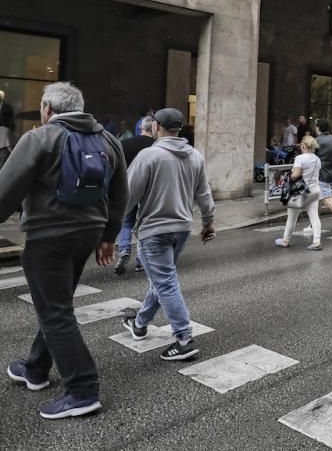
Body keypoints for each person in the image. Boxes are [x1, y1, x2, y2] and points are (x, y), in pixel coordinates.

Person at [0, 82, 128, 419]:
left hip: (48, 237)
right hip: (87, 234)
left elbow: (6, 191)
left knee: (56, 312)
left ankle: (83, 389)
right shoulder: (108, 140)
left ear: (47, 108)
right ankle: (35, 369)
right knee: (56, 303)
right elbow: (120, 195)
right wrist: (109, 236)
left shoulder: (39, 138)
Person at [120, 108, 215, 362]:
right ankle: (140, 323)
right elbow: (204, 195)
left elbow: (128, 195)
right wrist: (208, 223)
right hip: (182, 228)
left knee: (165, 281)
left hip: (154, 230)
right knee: (163, 277)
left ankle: (183, 339)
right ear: (179, 128)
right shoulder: (195, 156)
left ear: (157, 128)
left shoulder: (149, 156)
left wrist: (111, 224)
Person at [114, 116, 156, 275]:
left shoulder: (124, 144)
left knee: (126, 222)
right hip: (149, 192)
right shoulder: (157, 147)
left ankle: (124, 249)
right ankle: (140, 261)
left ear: (140, 128)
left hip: (127, 189)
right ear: (154, 129)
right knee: (144, 224)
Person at [274, 134, 323, 250]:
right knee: (314, 216)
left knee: (292, 217)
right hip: (314, 190)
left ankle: (285, 240)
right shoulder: (317, 159)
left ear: (303, 145)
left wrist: (287, 176)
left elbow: (295, 175)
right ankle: (317, 241)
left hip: (299, 192)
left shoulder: (300, 158)